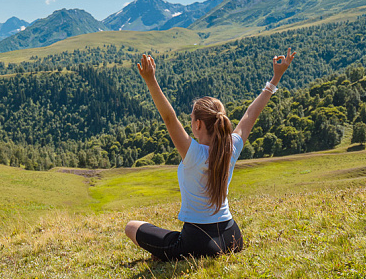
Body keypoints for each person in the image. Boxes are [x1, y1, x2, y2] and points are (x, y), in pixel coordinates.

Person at [125, 47, 296, 261]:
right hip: (232, 236)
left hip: (198, 241)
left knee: (131, 227)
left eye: (191, 119)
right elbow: (251, 113)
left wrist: (151, 80)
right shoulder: (230, 148)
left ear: (198, 124)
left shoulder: (193, 153)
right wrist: (276, 77)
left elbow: (169, 118)